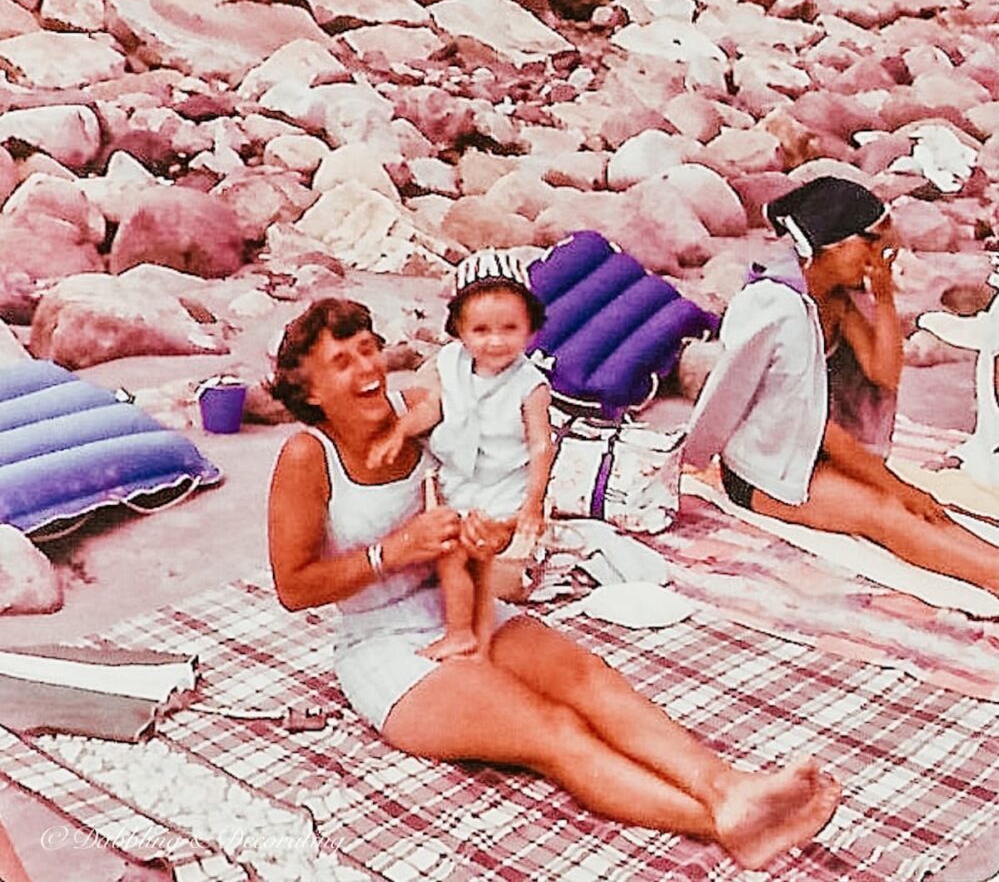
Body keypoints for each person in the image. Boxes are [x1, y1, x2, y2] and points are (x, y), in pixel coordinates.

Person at [267, 295, 841, 872]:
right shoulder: (307, 457)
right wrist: (390, 552)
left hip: (456, 603)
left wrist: (485, 534)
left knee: (589, 680)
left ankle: (729, 786)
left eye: (368, 351)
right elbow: (294, 588)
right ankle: (722, 823)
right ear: (310, 391)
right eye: (342, 363)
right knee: (553, 728)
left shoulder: (423, 416)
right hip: (382, 644)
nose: (367, 370)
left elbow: (487, 478)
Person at [684, 176, 999, 596]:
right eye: (870, 242)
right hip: (767, 468)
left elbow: (884, 373)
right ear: (831, 244)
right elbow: (820, 427)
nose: (877, 256)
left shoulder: (835, 296)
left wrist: (884, 296)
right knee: (887, 511)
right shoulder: (779, 308)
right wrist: (897, 485)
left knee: (927, 511)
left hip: (810, 449)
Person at [367, 249, 552, 660]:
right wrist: (399, 432)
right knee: (456, 556)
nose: (495, 340)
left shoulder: (529, 384)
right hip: (464, 482)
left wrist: (533, 505)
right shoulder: (450, 363)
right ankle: (471, 633)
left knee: (468, 556)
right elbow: (434, 407)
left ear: (531, 330)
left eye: (510, 328)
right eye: (481, 329)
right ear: (459, 330)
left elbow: (541, 444)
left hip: (505, 488)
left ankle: (467, 635)